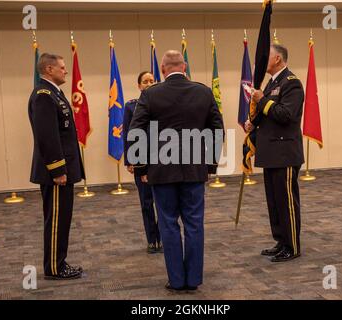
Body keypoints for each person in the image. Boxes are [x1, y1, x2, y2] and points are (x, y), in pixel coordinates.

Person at [129, 50, 224, 291]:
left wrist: (141, 167)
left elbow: (136, 130)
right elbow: (216, 129)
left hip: (161, 171)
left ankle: (176, 280)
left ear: (162, 70)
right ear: (184, 67)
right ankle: (193, 280)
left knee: (168, 224)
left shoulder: (150, 94)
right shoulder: (203, 91)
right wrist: (210, 164)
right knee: (194, 223)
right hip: (194, 169)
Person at [245, 44, 304, 262]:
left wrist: (261, 99)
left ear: (277, 59)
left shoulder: (292, 83)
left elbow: (285, 115)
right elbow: (267, 113)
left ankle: (293, 246)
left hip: (285, 152)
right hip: (270, 151)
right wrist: (253, 122)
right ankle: (281, 240)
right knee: (274, 201)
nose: (261, 61)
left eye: (266, 56)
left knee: (287, 201)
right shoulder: (271, 83)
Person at [28, 53, 84, 279]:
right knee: (56, 221)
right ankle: (54, 267)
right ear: (49, 69)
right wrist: (58, 170)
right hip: (56, 172)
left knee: (62, 219)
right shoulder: (44, 95)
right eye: (62, 67)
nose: (66, 71)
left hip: (63, 170)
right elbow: (47, 137)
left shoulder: (53, 94)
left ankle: (59, 262)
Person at [123, 71, 163, 254]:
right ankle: (151, 239)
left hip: (162, 159)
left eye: (152, 81)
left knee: (163, 201)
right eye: (145, 81)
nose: (149, 83)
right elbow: (128, 135)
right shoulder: (131, 106)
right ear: (139, 86)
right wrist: (130, 160)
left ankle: (162, 237)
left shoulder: (163, 104)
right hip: (141, 159)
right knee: (146, 202)